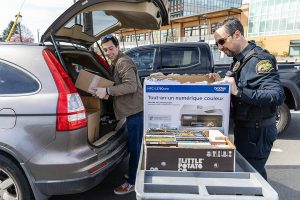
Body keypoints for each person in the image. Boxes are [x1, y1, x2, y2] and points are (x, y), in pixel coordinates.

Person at [213, 17, 285, 180]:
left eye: (222, 41)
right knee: (246, 176)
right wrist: (219, 81)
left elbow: (276, 95)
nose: (220, 47)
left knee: (253, 179)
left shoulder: (260, 60)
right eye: (217, 43)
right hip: (245, 129)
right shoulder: (239, 60)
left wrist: (238, 91)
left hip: (256, 132)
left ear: (237, 34)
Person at [94, 34, 143, 195]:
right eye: (106, 50)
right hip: (131, 111)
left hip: (135, 110)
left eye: (111, 49)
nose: (108, 52)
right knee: (132, 145)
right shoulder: (116, 61)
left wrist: (107, 90)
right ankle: (133, 172)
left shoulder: (123, 62)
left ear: (118, 47)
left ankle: (132, 182)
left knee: (135, 148)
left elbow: (131, 86)